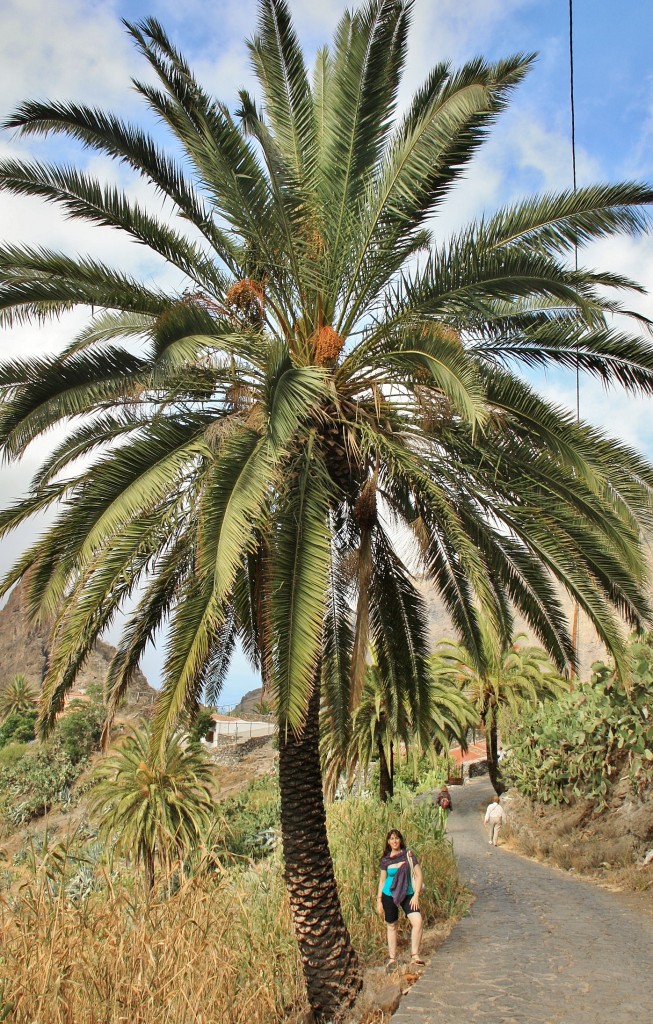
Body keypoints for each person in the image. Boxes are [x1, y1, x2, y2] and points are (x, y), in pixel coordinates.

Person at [376, 828, 425, 972]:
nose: (394, 841)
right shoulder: (385, 859)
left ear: (400, 840)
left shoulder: (408, 855)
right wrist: (379, 900)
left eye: (397, 838)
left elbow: (419, 875)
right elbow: (382, 881)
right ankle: (392, 958)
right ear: (388, 841)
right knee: (391, 925)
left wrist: (416, 895)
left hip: (408, 893)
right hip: (388, 894)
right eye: (391, 838)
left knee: (418, 921)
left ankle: (415, 955)